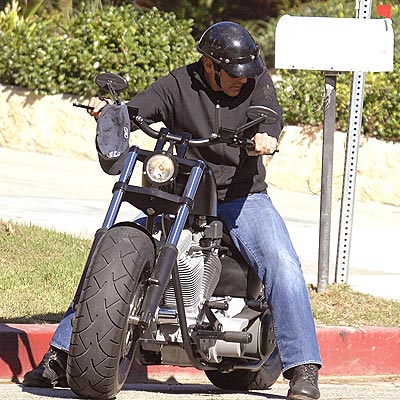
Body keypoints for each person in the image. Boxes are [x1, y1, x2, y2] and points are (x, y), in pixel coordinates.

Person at [22, 21, 322, 400]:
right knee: (109, 255)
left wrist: (265, 138)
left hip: (241, 196)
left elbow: (268, 117)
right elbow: (138, 109)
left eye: (245, 73)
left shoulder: (256, 82)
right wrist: (113, 112)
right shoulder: (180, 83)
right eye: (232, 73)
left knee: (283, 262)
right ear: (209, 65)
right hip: (184, 194)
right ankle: (62, 355)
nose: (240, 80)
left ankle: (303, 369)